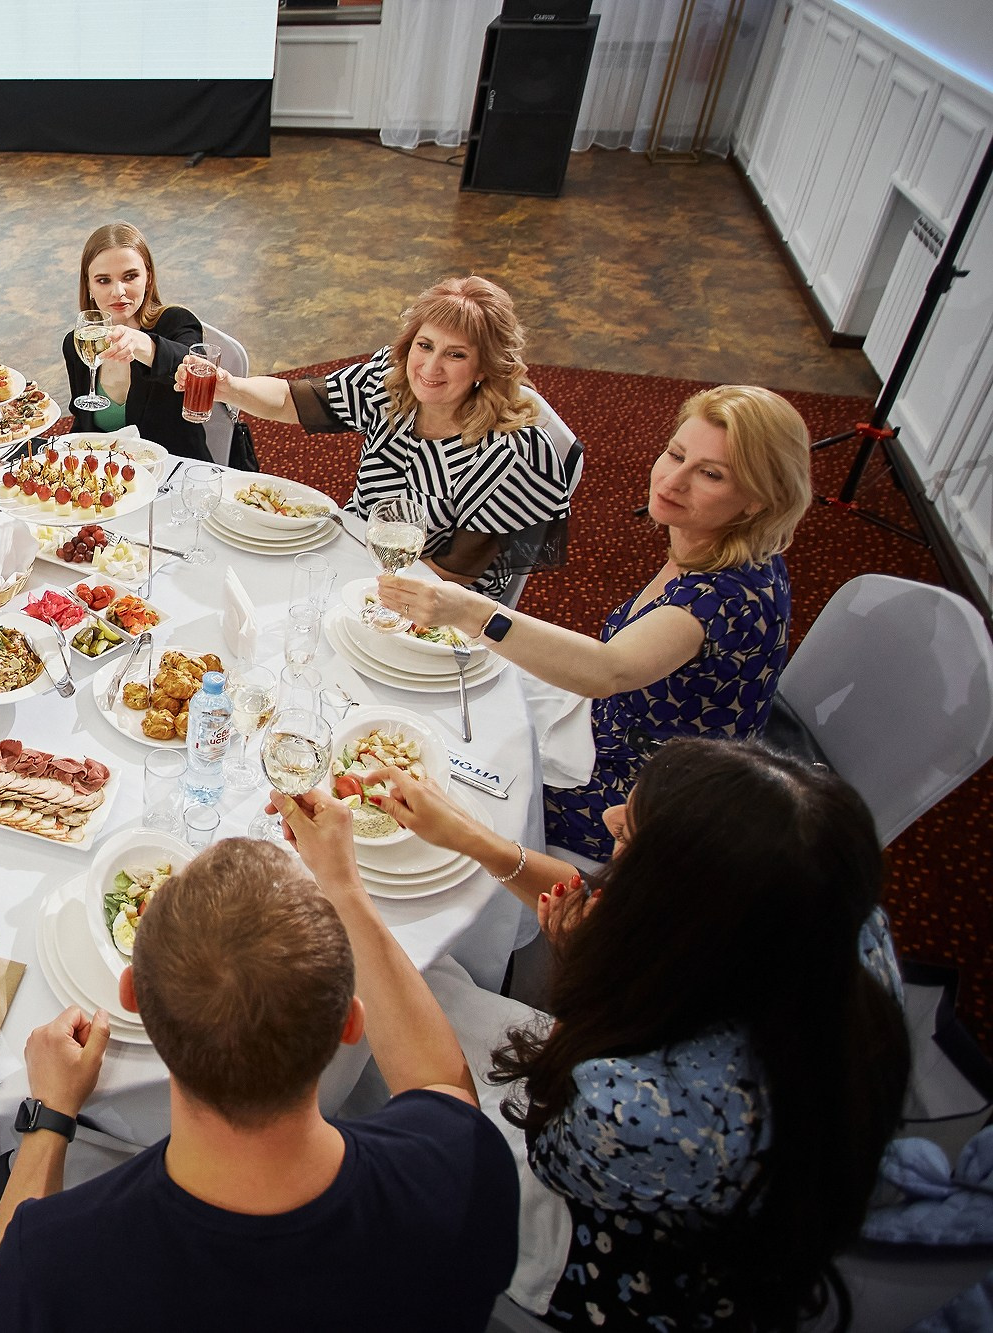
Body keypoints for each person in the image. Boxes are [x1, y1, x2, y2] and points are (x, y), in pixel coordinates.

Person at [370, 739, 910, 1329]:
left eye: (627, 834)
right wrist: (471, 838)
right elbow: (604, 908)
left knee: (374, 1032)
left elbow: (459, 1123)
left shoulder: (631, 1104)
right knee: (420, 987)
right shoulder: (831, 918)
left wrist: (347, 895)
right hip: (661, 1135)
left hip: (599, 1236)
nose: (608, 818)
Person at [0, 830, 519, 1330]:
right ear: (352, 1024)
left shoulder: (58, 1259)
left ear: (133, 997)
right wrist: (345, 888)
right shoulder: (461, 1166)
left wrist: (50, 1116)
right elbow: (440, 1081)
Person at [378, 384, 811, 860]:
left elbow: (609, 671)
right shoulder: (714, 543)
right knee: (444, 698)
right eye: (675, 454)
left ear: (758, 500)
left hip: (648, 796)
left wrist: (470, 610)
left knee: (438, 786)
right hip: (622, 728)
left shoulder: (719, 598)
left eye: (710, 474)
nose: (672, 481)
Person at [188, 275, 571, 596]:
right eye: (425, 346)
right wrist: (229, 387)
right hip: (353, 553)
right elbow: (289, 399)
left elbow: (454, 574)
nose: (430, 367)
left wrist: (348, 589)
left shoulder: (509, 453)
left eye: (456, 355)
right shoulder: (389, 384)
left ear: (485, 367)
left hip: (433, 601)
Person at [58, 222, 208, 461]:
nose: (118, 291)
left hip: (173, 472)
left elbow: (197, 370)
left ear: (148, 278)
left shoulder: (177, 322)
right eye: (103, 280)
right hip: (110, 477)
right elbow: (84, 426)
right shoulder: (77, 344)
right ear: (89, 286)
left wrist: (144, 345)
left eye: (130, 276)